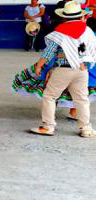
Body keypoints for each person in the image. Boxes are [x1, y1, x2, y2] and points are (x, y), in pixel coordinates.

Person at [30, 1, 96, 138]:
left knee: (50, 96)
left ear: (64, 17)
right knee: (82, 99)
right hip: (82, 69)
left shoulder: (59, 32)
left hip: (64, 70)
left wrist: (39, 65)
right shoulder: (87, 30)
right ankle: (86, 129)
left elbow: (49, 52)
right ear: (80, 16)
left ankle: (48, 127)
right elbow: (91, 49)